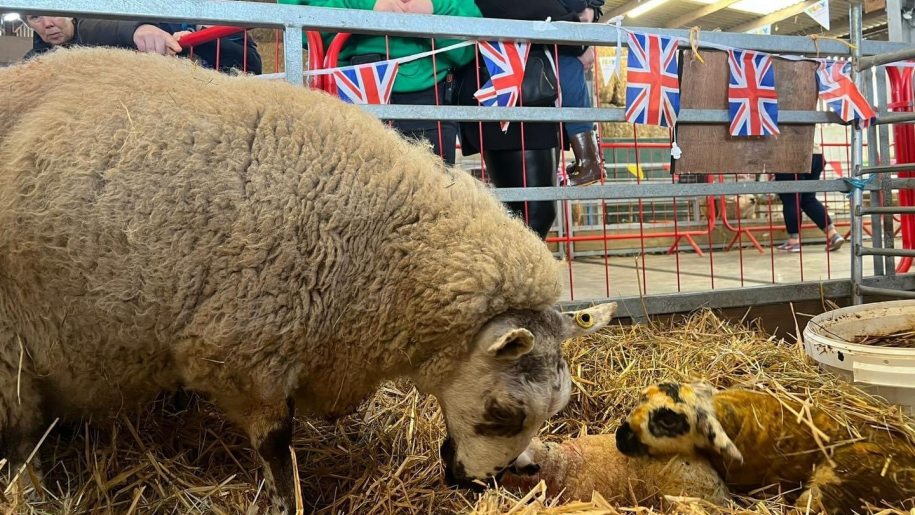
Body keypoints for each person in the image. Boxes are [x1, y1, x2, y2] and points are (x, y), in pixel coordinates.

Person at [278, 0, 482, 165]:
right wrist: (370, 8)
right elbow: (296, 18)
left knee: (433, 202)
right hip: (349, 91)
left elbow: (471, 38)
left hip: (430, 98)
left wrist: (433, 7)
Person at [456, 0, 593, 240]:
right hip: (503, 86)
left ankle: (524, 273)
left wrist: (582, 20)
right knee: (530, 216)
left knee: (534, 214)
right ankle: (517, 274)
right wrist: (575, 28)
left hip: (534, 89)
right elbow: (522, 7)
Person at [23, 15, 261, 75]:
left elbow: (251, 63)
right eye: (35, 18)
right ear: (27, 22)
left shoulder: (204, 14)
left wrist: (194, 42)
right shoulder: (32, 62)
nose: (47, 24)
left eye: (51, 13)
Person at [556, 0, 605, 186]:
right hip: (577, 12)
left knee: (569, 73)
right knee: (572, 79)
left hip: (573, 12)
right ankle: (590, 159)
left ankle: (589, 162)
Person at [774, 147, 845, 252]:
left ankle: (794, 241)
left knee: (791, 198)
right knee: (808, 199)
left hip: (791, 155)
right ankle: (833, 235)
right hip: (816, 155)